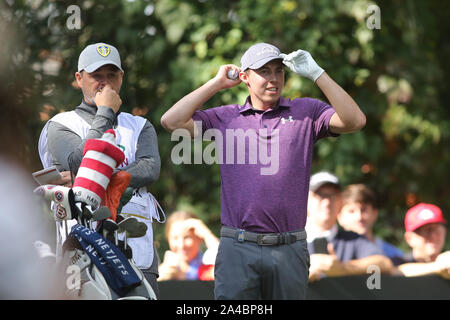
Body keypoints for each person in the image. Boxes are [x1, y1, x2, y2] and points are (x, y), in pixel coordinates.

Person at [161, 42, 366, 299]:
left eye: (278, 70)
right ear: (245, 77)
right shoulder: (226, 117)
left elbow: (354, 120)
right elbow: (171, 121)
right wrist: (216, 83)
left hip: (289, 247)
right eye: (264, 71)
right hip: (238, 247)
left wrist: (318, 74)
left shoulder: (306, 111)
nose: (273, 78)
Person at [38, 42, 163, 298]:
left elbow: (150, 169)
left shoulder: (140, 125)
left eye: (112, 75)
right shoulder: (60, 124)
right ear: (79, 78)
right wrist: (105, 111)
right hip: (80, 251)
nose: (105, 83)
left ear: (121, 78)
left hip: (136, 248)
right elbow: (78, 162)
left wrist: (95, 176)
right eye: (96, 76)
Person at [306, 172, 394, 282]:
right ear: (305, 199)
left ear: (340, 202)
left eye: (332, 196)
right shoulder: (290, 240)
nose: (327, 202)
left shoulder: (354, 240)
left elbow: (384, 263)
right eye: (320, 195)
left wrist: (343, 268)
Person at [337, 184, 404, 260]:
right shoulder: (332, 252)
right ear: (339, 217)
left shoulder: (393, 254)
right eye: (351, 211)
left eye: (363, 210)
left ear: (375, 213)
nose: (359, 217)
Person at [393, 203, 450, 279]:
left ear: (444, 232)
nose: (433, 236)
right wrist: (438, 267)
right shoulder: (397, 262)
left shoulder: (446, 261)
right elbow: (394, 271)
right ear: (409, 238)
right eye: (427, 231)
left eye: (437, 230)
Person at [158, 210, 219, 281]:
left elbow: (226, 260)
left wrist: (207, 234)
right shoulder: (163, 271)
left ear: (199, 238)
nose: (181, 245)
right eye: (175, 238)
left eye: (187, 237)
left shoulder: (208, 267)